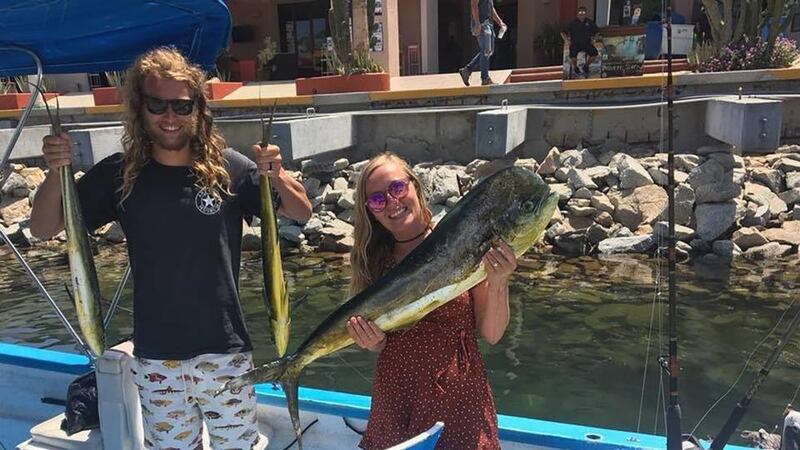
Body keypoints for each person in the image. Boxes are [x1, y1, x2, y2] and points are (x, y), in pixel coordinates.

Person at [29, 47, 312, 450]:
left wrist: (277, 175)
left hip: (225, 350)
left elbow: (300, 212)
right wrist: (54, 173)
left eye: (181, 105)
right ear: (140, 107)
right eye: (157, 104)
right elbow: (43, 228)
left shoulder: (228, 168)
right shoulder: (118, 173)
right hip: (157, 354)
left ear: (198, 108)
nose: (169, 116)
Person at [345, 152, 517, 449]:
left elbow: (491, 334)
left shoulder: (461, 242)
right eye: (377, 200)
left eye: (397, 189)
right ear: (370, 211)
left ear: (415, 186)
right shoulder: (372, 262)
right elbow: (379, 341)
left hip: (459, 398)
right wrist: (372, 342)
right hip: (396, 398)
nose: (392, 203)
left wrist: (499, 282)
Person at [458, 0, 507, 86]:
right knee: (486, 50)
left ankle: (467, 70)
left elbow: (491, 8)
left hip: (489, 24)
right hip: (482, 24)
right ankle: (485, 78)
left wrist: (500, 22)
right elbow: (474, 5)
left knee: (489, 51)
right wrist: (477, 24)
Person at [561, 6, 599, 76]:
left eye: (583, 13)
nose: (582, 15)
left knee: (594, 54)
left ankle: (586, 66)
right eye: (580, 13)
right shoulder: (572, 23)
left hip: (587, 43)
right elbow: (562, 32)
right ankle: (575, 67)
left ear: (585, 14)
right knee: (573, 57)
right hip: (575, 44)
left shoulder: (589, 22)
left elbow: (597, 32)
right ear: (577, 14)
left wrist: (594, 39)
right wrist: (566, 40)